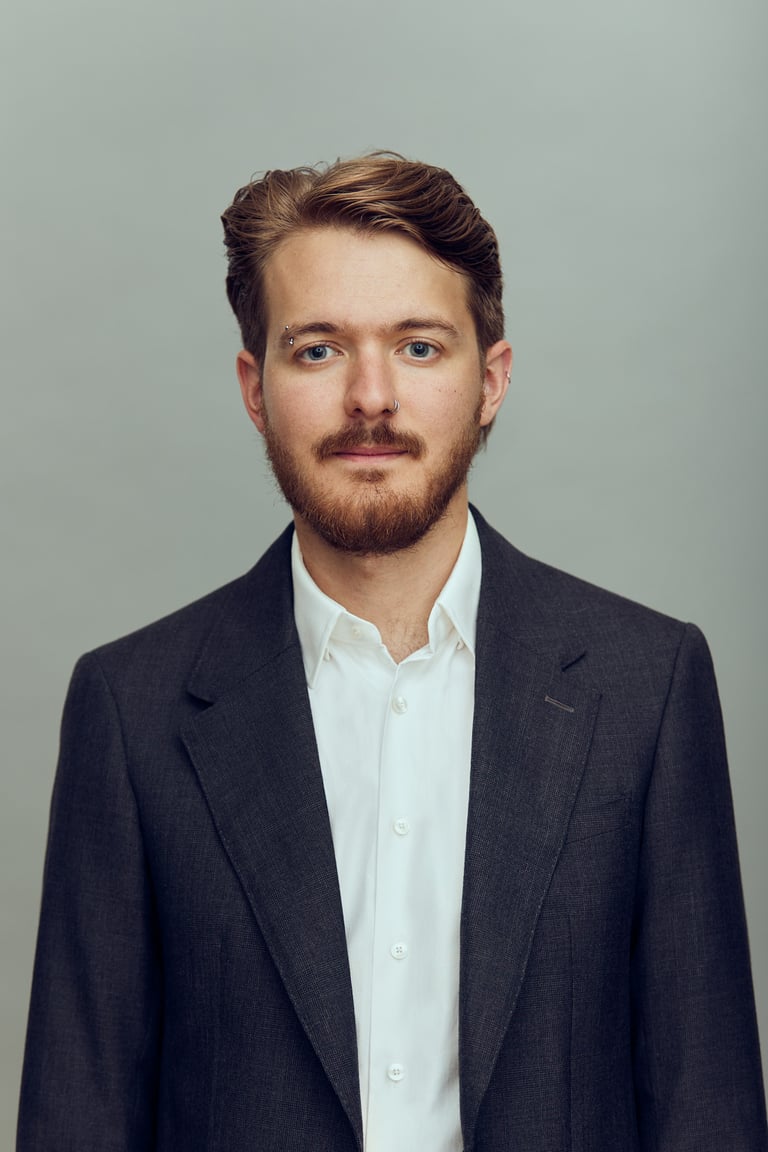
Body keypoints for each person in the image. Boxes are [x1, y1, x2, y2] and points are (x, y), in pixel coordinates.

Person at [17, 153, 767, 1152]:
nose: (370, 398)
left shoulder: (649, 684)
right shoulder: (131, 709)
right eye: (319, 351)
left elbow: (706, 1105)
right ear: (255, 387)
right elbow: (80, 1115)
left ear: (490, 380)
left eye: (419, 347)